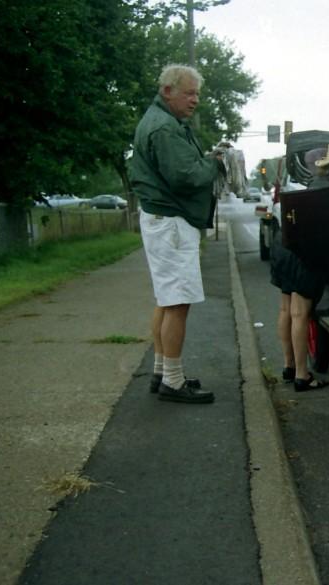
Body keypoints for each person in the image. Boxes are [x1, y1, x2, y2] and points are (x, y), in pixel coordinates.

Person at [129, 64, 223, 404]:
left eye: (197, 93)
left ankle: (162, 371)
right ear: (168, 91)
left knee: (166, 299)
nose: (195, 99)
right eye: (189, 93)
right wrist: (216, 162)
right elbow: (185, 176)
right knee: (178, 301)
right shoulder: (165, 129)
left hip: (161, 218)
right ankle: (172, 380)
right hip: (171, 222)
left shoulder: (159, 123)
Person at [270, 144, 329, 391]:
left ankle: (289, 366)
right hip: (307, 253)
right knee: (301, 313)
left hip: (284, 246)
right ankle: (303, 376)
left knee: (287, 309)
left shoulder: (315, 185)